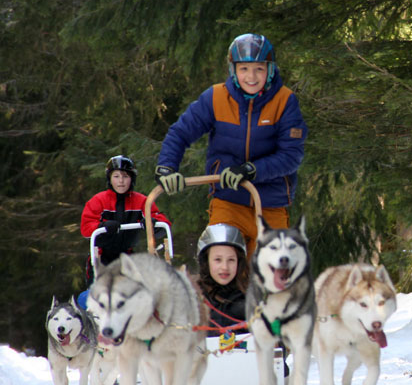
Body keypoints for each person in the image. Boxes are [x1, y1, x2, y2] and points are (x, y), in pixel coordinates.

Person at [154, 33, 308, 257]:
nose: (252, 77)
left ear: (270, 70)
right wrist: (167, 167)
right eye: (244, 69)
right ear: (233, 70)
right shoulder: (216, 98)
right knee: (222, 263)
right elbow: (180, 133)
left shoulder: (285, 101)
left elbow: (291, 155)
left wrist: (250, 170)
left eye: (259, 69)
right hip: (228, 202)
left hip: (270, 205)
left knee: (268, 272)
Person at [77, 155, 171, 308]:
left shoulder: (141, 201)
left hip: (128, 256)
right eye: (116, 176)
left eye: (125, 176)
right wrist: (103, 226)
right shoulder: (99, 201)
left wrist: (153, 223)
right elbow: (86, 227)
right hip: (102, 257)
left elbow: (161, 220)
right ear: (110, 178)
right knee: (98, 298)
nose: (121, 181)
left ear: (132, 178)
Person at [195, 223, 249, 337]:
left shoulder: (250, 298)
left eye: (231, 260)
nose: (225, 267)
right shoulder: (193, 298)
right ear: (206, 261)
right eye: (218, 260)